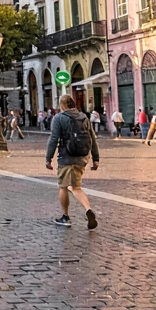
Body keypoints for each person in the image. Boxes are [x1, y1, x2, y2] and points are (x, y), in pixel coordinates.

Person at [45, 94, 99, 230]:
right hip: (82, 156)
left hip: (66, 156)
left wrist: (48, 158)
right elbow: (92, 138)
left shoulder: (59, 118)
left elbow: (54, 139)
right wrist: (96, 158)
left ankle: (65, 216)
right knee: (76, 187)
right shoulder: (83, 117)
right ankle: (88, 210)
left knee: (63, 186)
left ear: (62, 105)